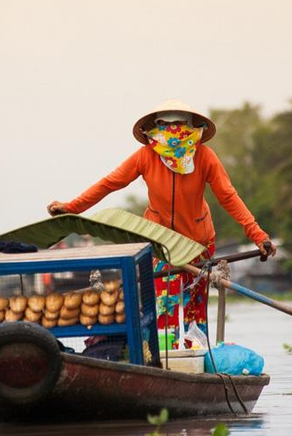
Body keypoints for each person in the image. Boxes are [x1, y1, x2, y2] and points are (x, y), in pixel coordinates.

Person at [47, 99, 276, 331]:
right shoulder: (145, 156)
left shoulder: (205, 157)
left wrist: (258, 236)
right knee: (164, 305)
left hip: (198, 243)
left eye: (179, 125)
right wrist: (72, 207)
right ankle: (166, 356)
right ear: (154, 130)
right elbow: (110, 183)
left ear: (192, 128)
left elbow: (228, 197)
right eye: (165, 126)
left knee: (194, 309)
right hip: (160, 243)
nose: (173, 133)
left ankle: (194, 352)